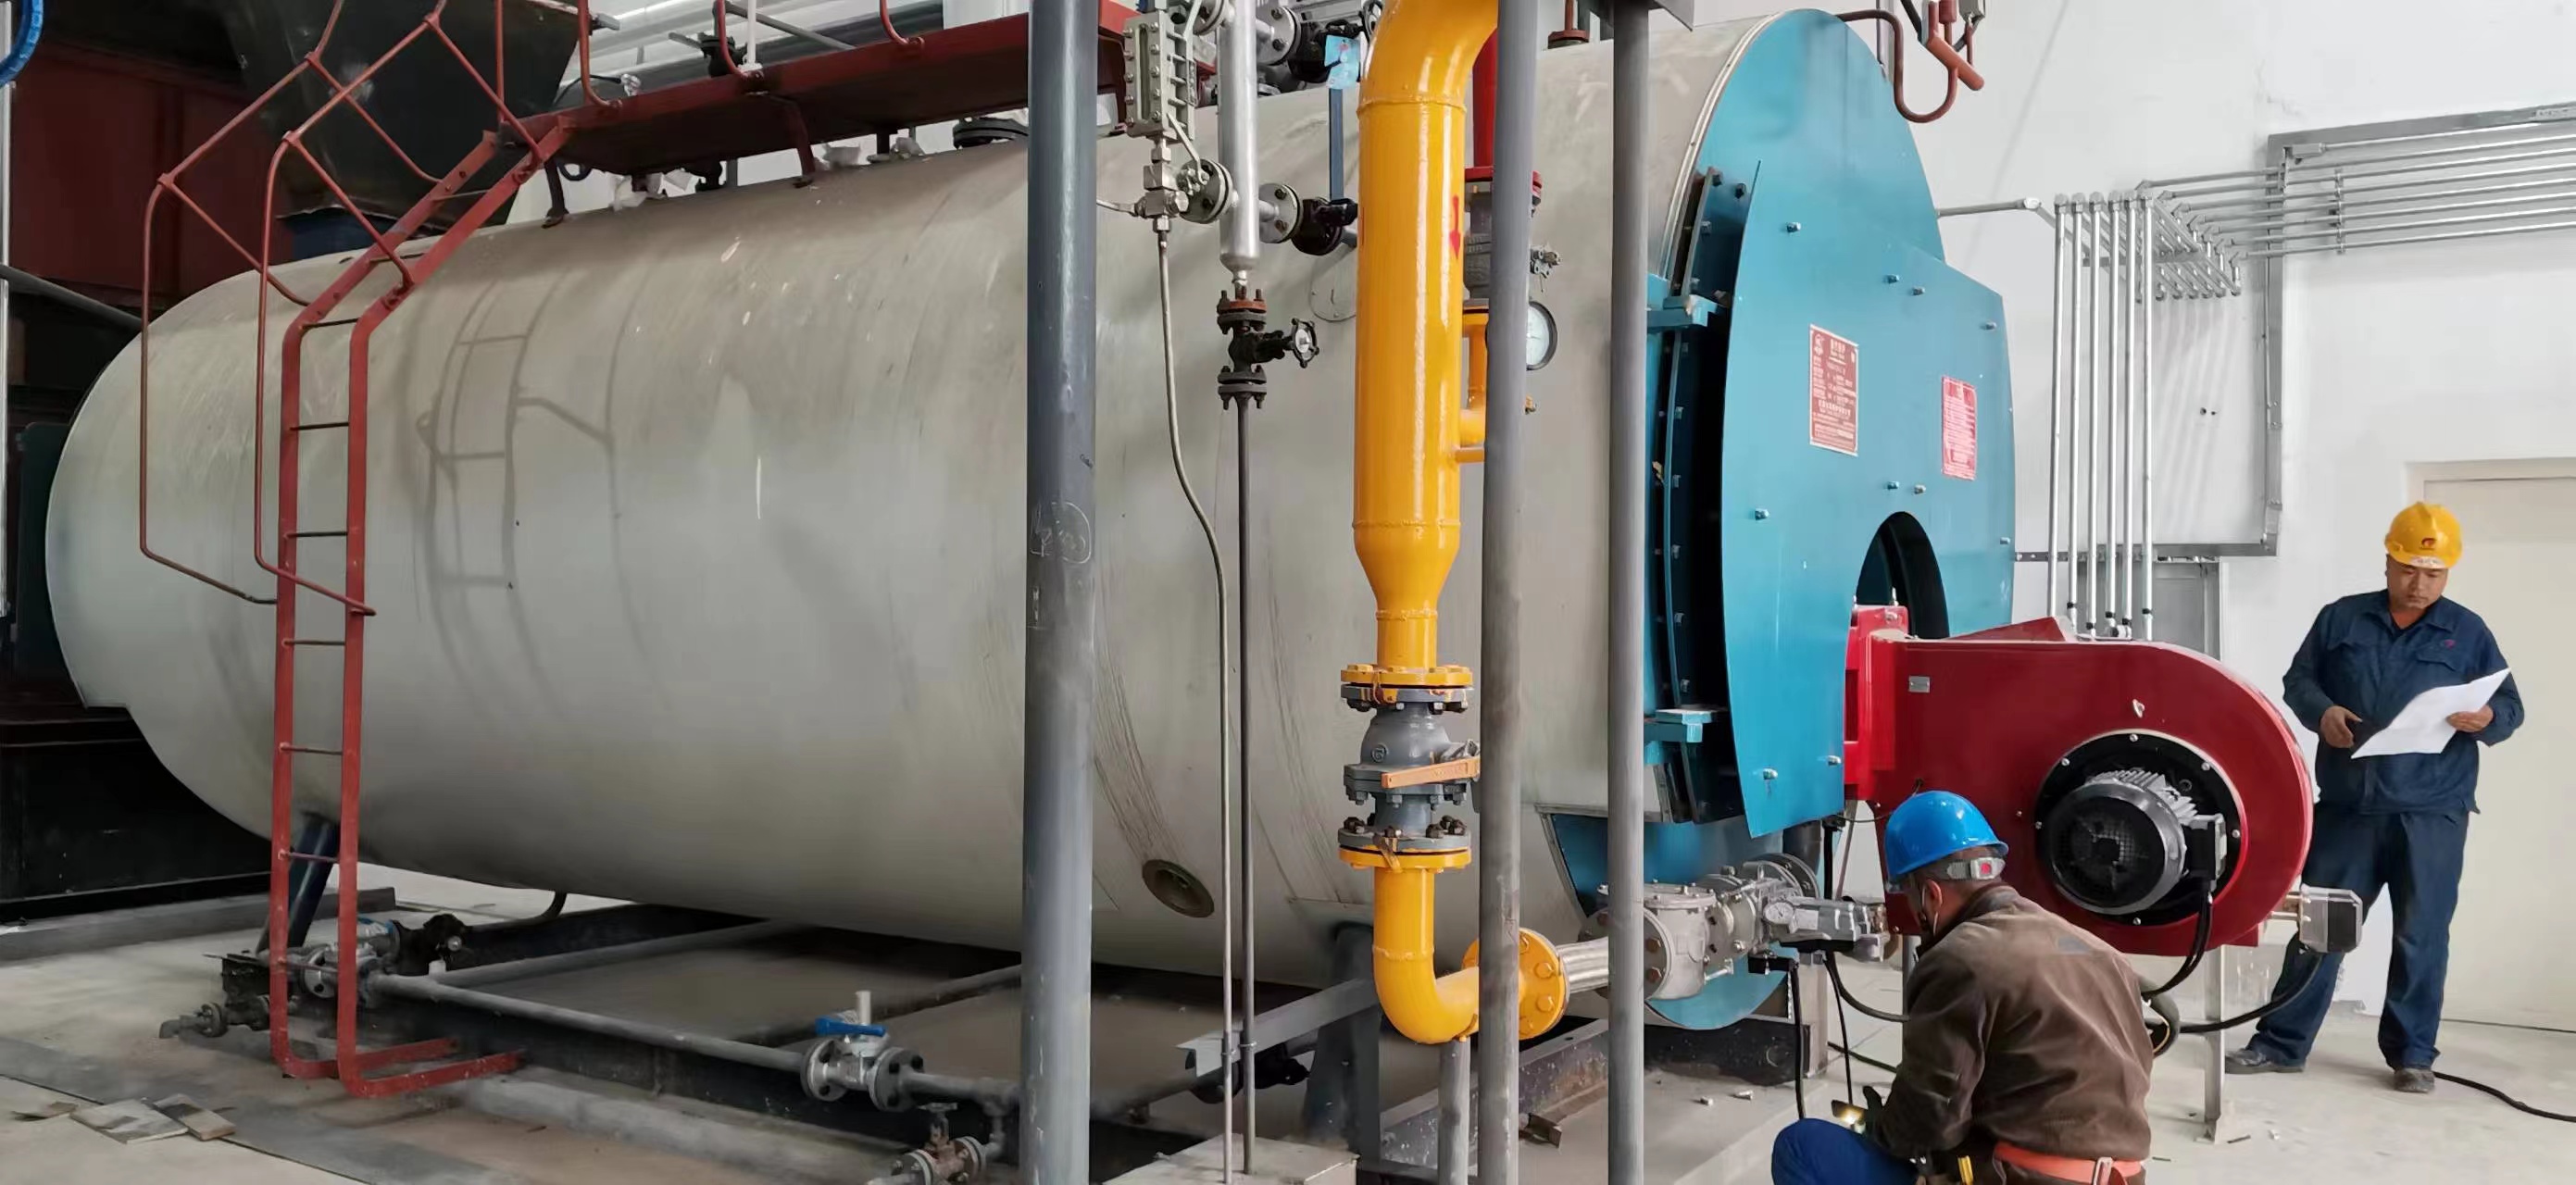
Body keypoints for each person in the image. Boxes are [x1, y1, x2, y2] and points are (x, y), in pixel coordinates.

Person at [2227, 502, 2522, 1092]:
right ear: (2388, 561)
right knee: (2321, 927)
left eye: (2434, 574)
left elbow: (2510, 707)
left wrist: (2488, 717)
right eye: (2409, 569)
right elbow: (2299, 680)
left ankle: (2413, 1056)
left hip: (2431, 812)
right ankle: (2281, 1044)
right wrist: (2322, 712)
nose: (2420, 584)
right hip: (2350, 809)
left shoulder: (2468, 632)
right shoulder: (2342, 619)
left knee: (2421, 933)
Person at [1773, 792, 2153, 1185]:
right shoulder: (2101, 953)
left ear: (1931, 895)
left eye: (1910, 897)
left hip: (2023, 1178)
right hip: (2122, 1177)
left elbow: (1930, 1120)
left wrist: (1879, 1127)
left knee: (1802, 1145)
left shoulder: (1961, 959)